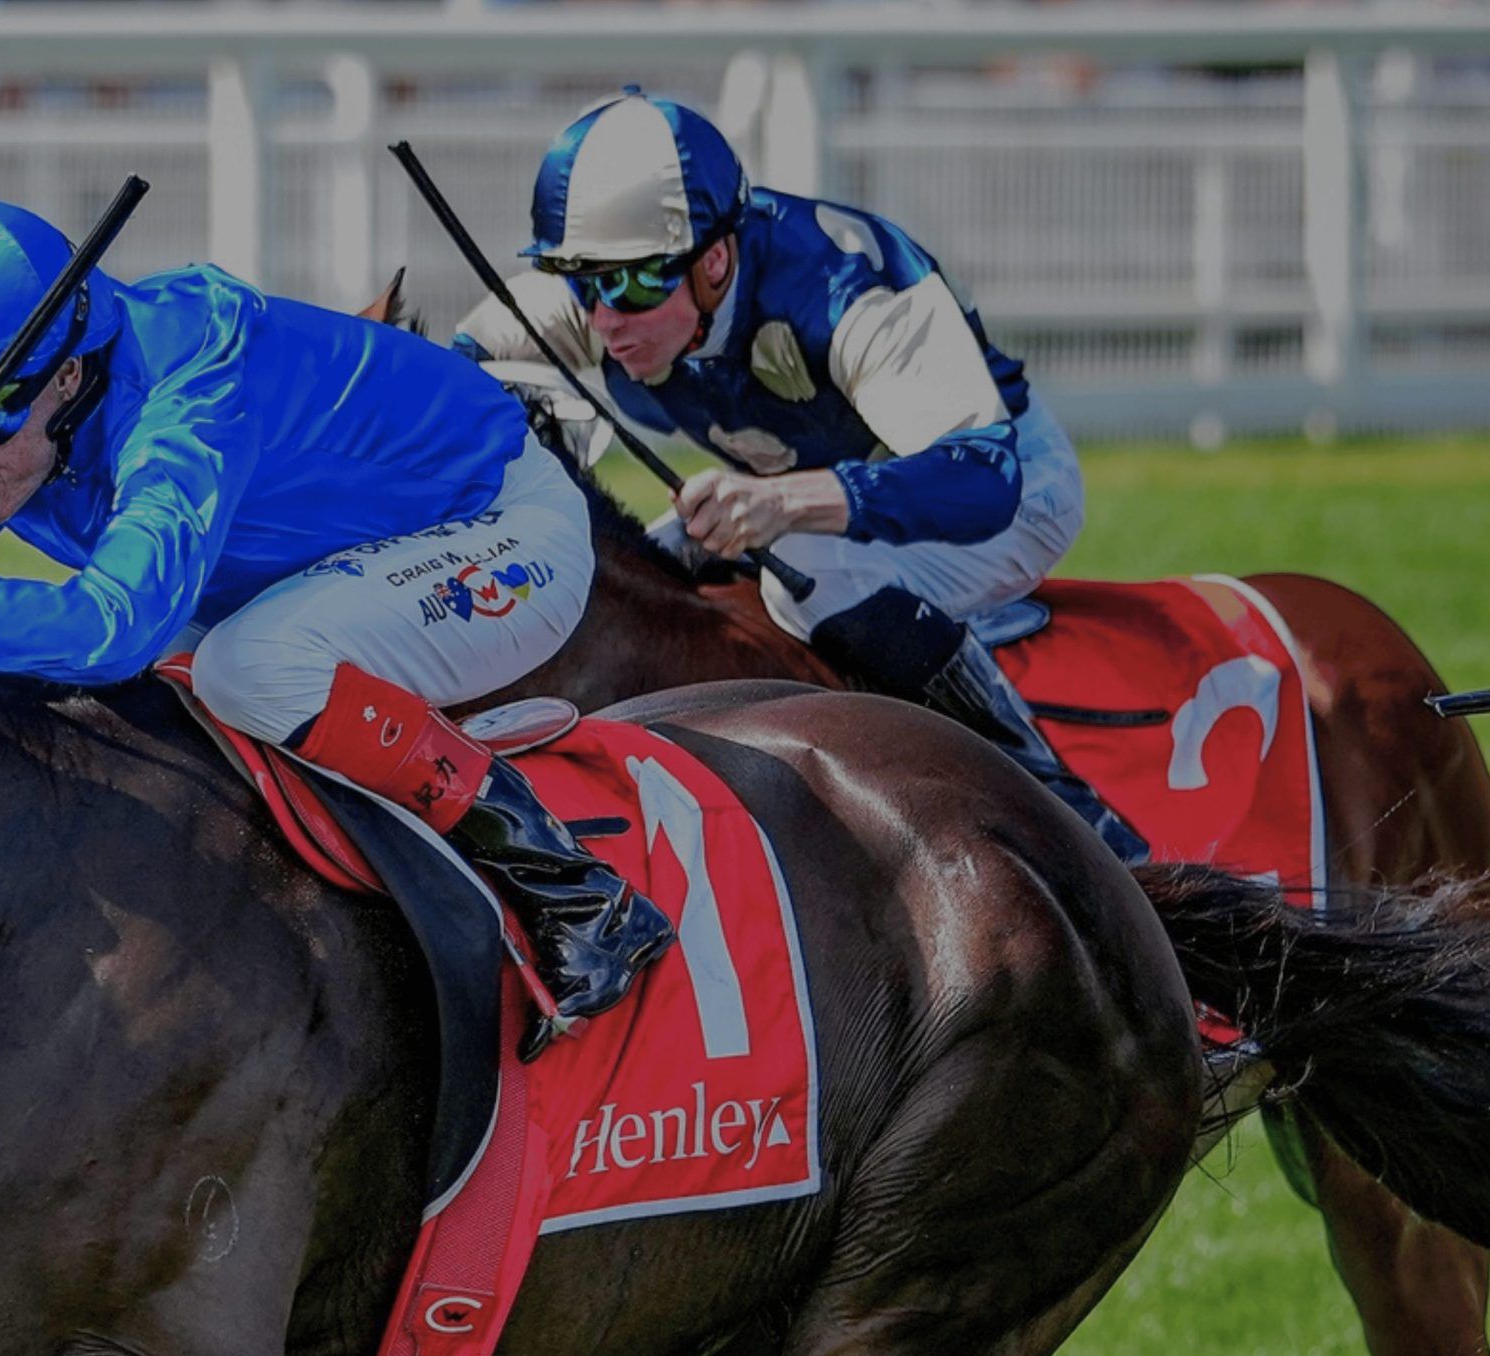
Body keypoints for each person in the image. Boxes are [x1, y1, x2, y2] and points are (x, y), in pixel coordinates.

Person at [0, 197, 673, 1056]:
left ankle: (579, 896)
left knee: (246, 666)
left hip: (503, 529)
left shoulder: (191, 391)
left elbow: (110, 626)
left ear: (69, 371)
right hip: (308, 573)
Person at [455, 87, 1147, 864]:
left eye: (634, 284)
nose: (605, 317)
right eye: (581, 280)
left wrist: (785, 500)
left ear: (714, 259)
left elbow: (981, 479)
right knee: (635, 569)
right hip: (820, 483)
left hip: (1004, 490)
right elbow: (448, 372)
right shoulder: (607, 295)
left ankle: (1066, 811)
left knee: (814, 567)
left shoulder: (843, 288)